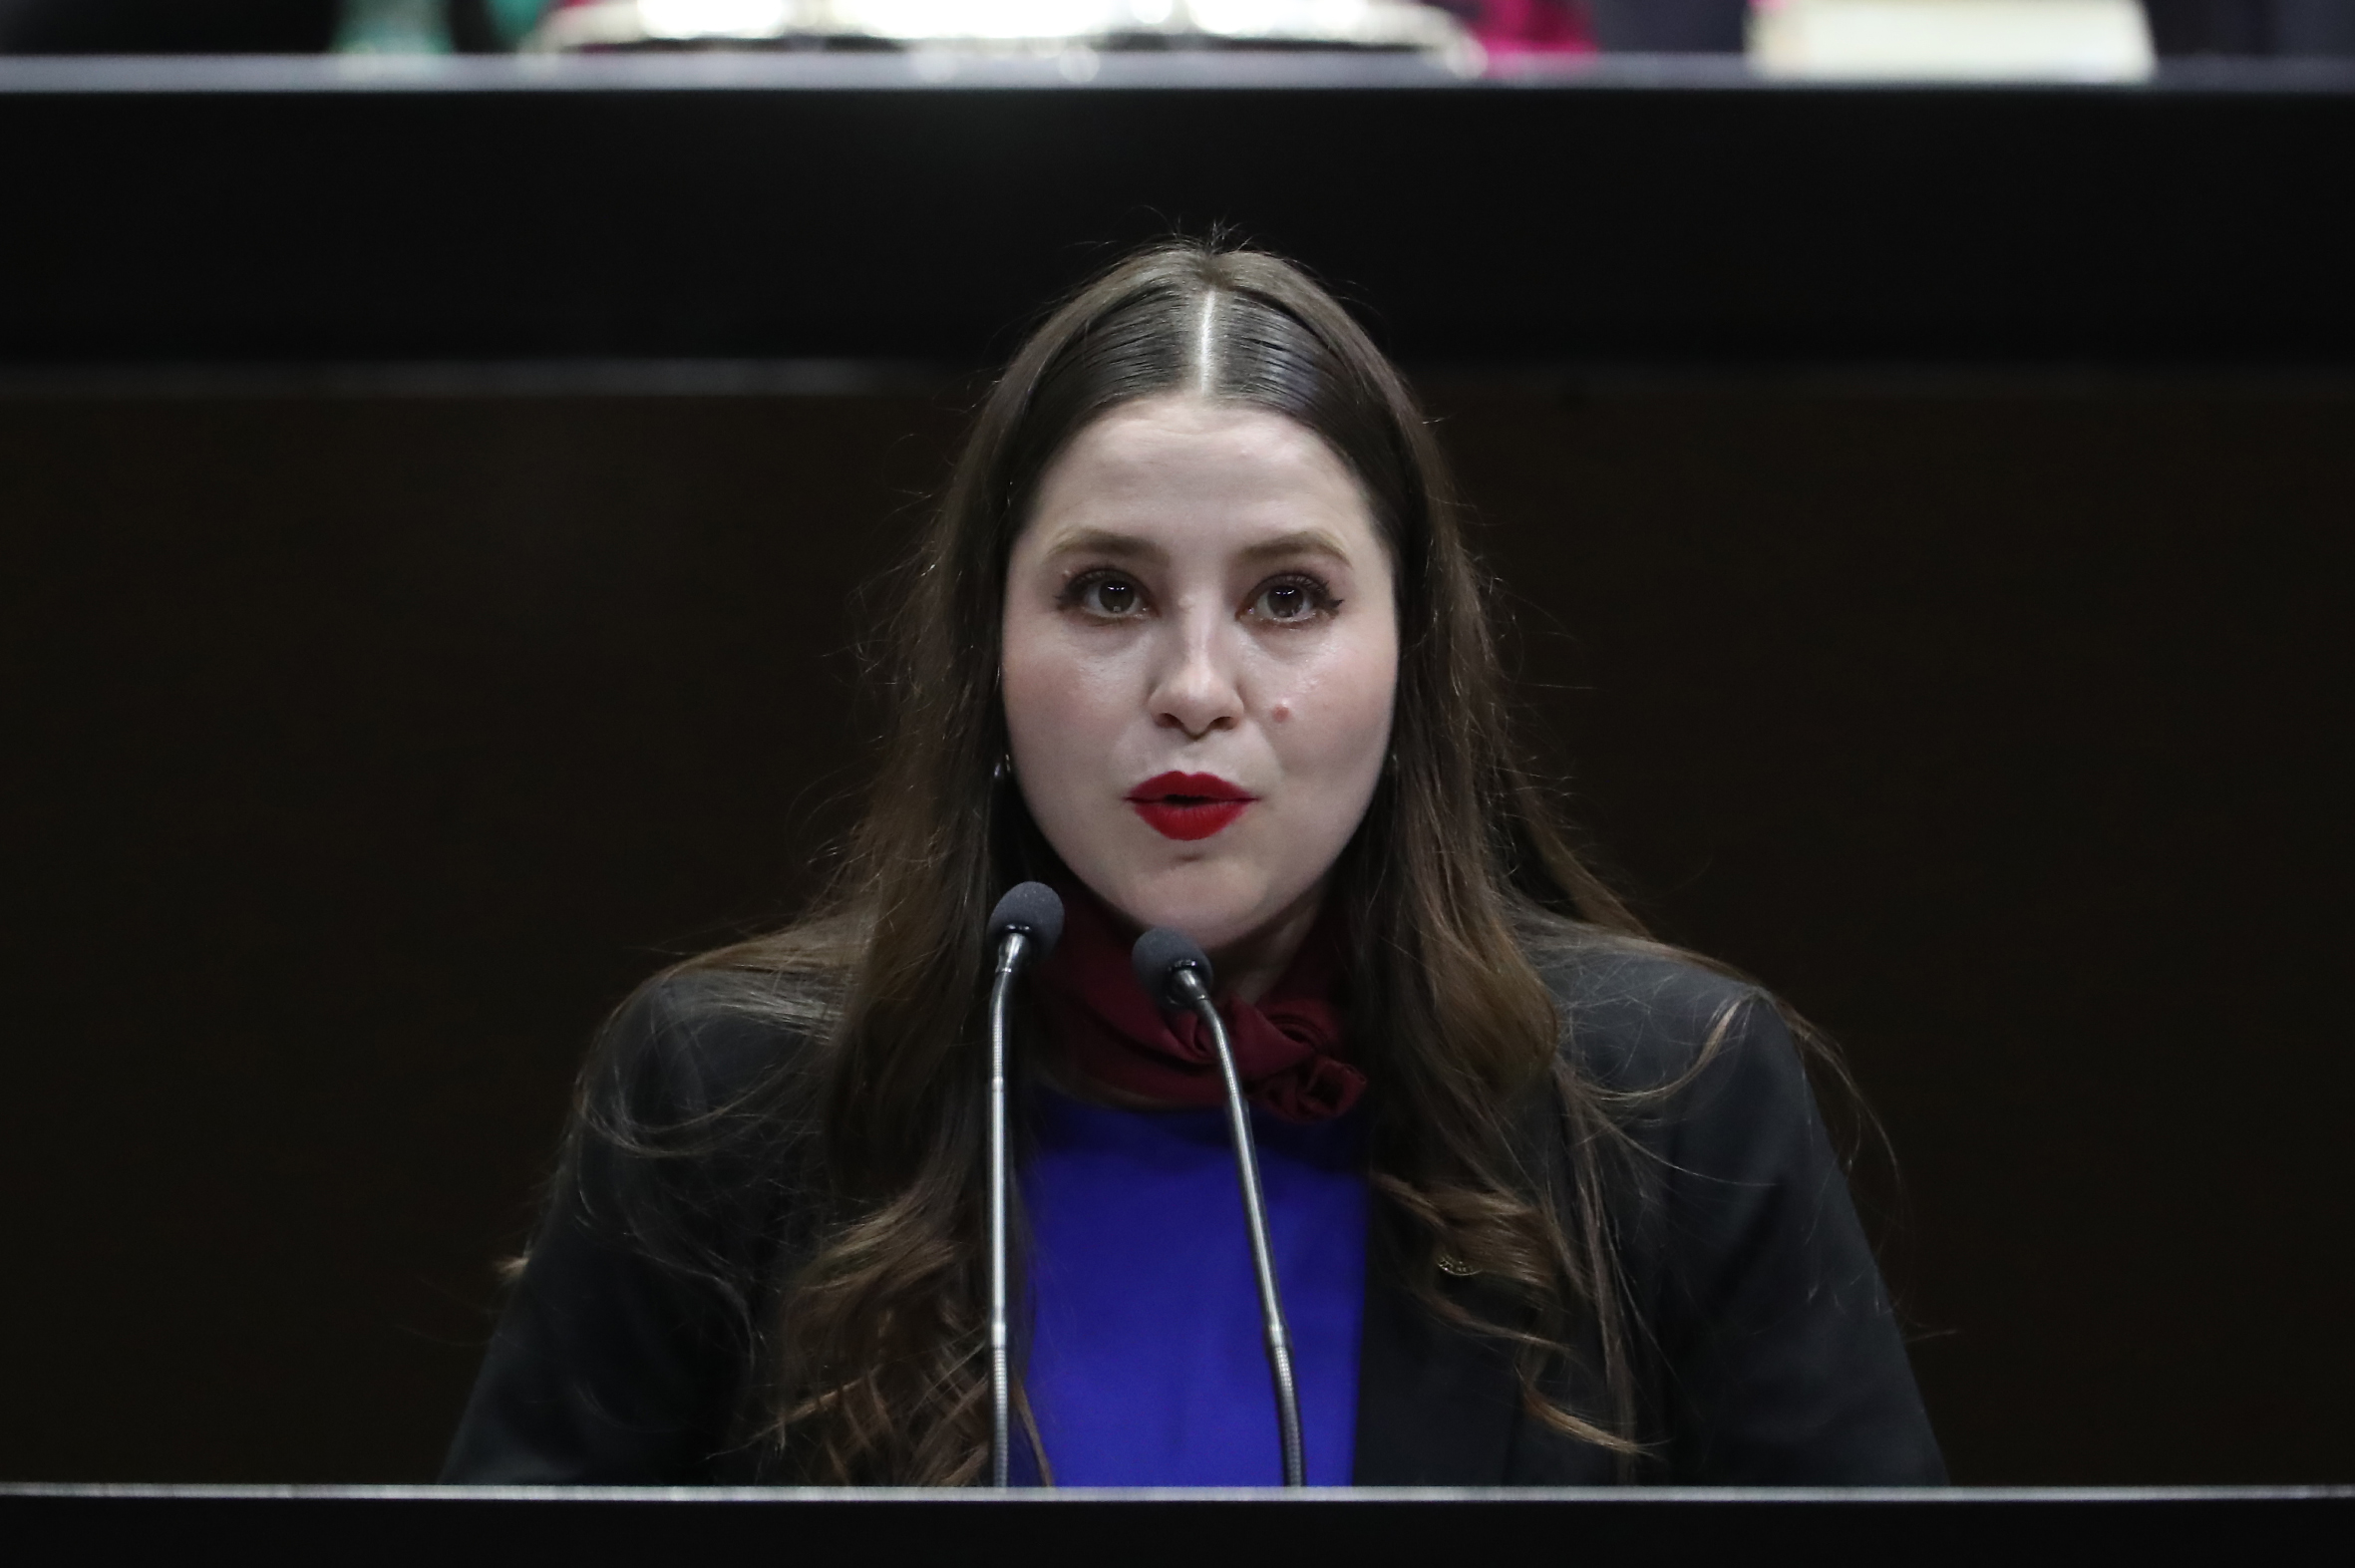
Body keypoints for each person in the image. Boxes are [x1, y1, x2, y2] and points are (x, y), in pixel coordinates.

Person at [443, 241, 1944, 1488]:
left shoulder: (1674, 1098)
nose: (1196, 688)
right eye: (1109, 592)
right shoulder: (720, 1099)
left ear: (1413, 657)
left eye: (1289, 598)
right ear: (986, 651)